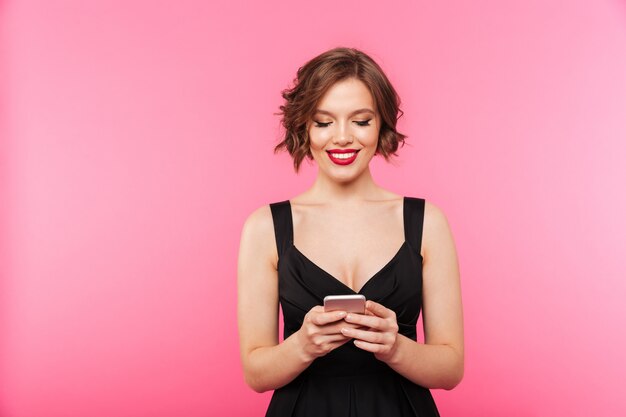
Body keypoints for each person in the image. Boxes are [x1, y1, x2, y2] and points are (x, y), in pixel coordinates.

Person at [237, 47, 464, 417]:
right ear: (304, 126)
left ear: (382, 125)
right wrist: (303, 346)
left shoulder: (426, 222)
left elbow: (451, 368)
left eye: (360, 121)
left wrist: (396, 348)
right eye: (324, 122)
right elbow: (256, 373)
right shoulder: (264, 227)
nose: (342, 138)